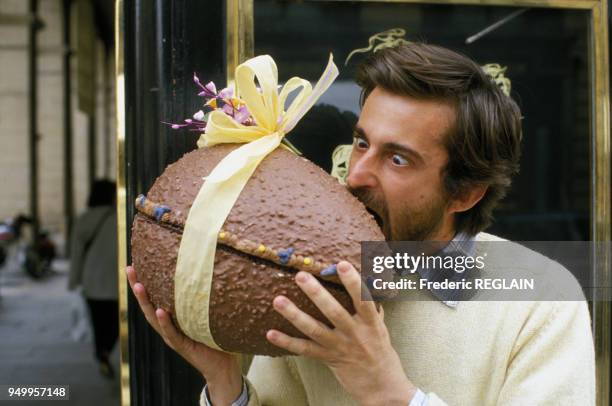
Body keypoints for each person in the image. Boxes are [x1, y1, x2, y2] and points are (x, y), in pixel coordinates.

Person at [126, 43, 595, 405]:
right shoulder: (314, 279)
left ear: (465, 193)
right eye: (361, 142)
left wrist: (387, 391)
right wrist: (226, 382)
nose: (356, 174)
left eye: (396, 158)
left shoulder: (544, 300)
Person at [69, 179, 119, 378]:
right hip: (115, 280)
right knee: (116, 321)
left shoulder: (84, 219)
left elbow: (77, 253)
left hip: (92, 280)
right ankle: (106, 350)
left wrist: (74, 281)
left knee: (99, 322)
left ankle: (101, 353)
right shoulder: (118, 217)